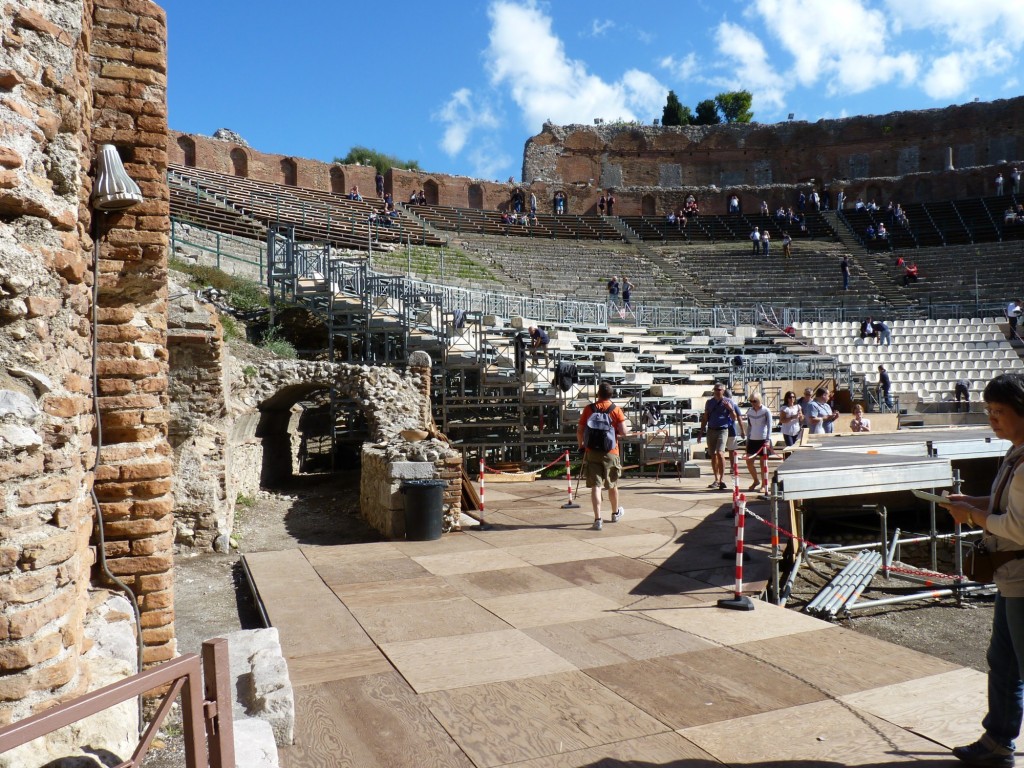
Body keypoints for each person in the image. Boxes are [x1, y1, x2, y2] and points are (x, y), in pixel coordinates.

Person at [938, 374, 1024, 767]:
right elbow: (1004, 504)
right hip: (1011, 578)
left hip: (1021, 577)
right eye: (988, 411)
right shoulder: (1015, 454)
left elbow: (1017, 526)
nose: (992, 419)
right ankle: (998, 741)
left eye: (999, 412)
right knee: (1003, 662)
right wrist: (974, 501)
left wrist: (972, 514)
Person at [577, 381, 628, 530]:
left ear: (598, 394)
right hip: (611, 451)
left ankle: (598, 518)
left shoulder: (589, 409)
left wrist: (582, 445)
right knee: (612, 484)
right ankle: (614, 513)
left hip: (592, 451)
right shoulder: (616, 410)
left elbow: (580, 430)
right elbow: (624, 432)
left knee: (596, 485)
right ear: (611, 395)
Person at [699, 383, 744, 491]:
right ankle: (716, 478)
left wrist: (730, 409)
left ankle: (722, 479)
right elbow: (705, 417)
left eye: (719, 390)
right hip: (711, 429)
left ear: (723, 391)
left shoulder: (728, 402)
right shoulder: (709, 402)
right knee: (713, 455)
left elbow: (734, 418)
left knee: (720, 453)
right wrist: (701, 432)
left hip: (723, 430)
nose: (717, 391)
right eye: (716, 389)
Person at [744, 394, 773, 490]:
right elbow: (749, 426)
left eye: (754, 401)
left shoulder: (766, 411)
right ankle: (756, 480)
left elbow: (769, 426)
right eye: (751, 401)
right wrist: (747, 440)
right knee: (749, 461)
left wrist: (768, 440)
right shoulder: (750, 411)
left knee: (763, 463)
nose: (753, 403)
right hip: (753, 439)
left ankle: (764, 484)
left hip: (763, 439)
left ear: (759, 400)